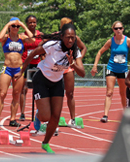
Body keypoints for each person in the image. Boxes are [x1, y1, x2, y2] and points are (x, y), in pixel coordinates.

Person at [15, 23, 85, 154]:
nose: (70, 40)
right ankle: (39, 114)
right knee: (46, 116)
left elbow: (82, 72)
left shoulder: (75, 51)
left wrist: (73, 64)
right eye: (68, 37)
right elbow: (33, 54)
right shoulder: (53, 46)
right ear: (62, 37)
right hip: (42, 79)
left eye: (73, 37)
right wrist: (21, 71)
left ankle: (45, 143)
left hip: (57, 82)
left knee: (56, 117)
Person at [91, 21, 130, 123]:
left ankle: (126, 114)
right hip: (111, 68)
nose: (118, 30)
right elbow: (100, 52)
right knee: (109, 92)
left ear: (123, 29)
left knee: (123, 93)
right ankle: (105, 115)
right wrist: (95, 65)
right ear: (113, 30)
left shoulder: (128, 41)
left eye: (120, 28)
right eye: (116, 29)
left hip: (123, 70)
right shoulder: (110, 41)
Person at [0, 17, 33, 127]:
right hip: (7, 68)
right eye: (13, 26)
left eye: (17, 26)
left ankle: (13, 119)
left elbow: (33, 39)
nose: (15, 28)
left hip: (18, 69)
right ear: (10, 27)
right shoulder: (6, 38)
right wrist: (8, 24)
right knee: (2, 93)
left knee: (16, 94)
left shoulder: (22, 37)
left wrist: (24, 26)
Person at [59, 17, 87, 128]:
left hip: (69, 67)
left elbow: (83, 47)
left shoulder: (75, 38)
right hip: (56, 68)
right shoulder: (57, 36)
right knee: (57, 94)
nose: (71, 25)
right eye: (68, 24)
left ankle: (73, 118)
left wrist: (77, 59)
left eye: (71, 23)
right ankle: (54, 117)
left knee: (70, 93)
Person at [19, 15, 43, 121]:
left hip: (38, 64)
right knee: (24, 89)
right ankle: (22, 113)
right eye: (30, 22)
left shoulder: (40, 35)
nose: (32, 24)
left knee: (38, 89)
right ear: (27, 24)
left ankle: (39, 111)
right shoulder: (22, 36)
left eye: (34, 22)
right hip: (26, 63)